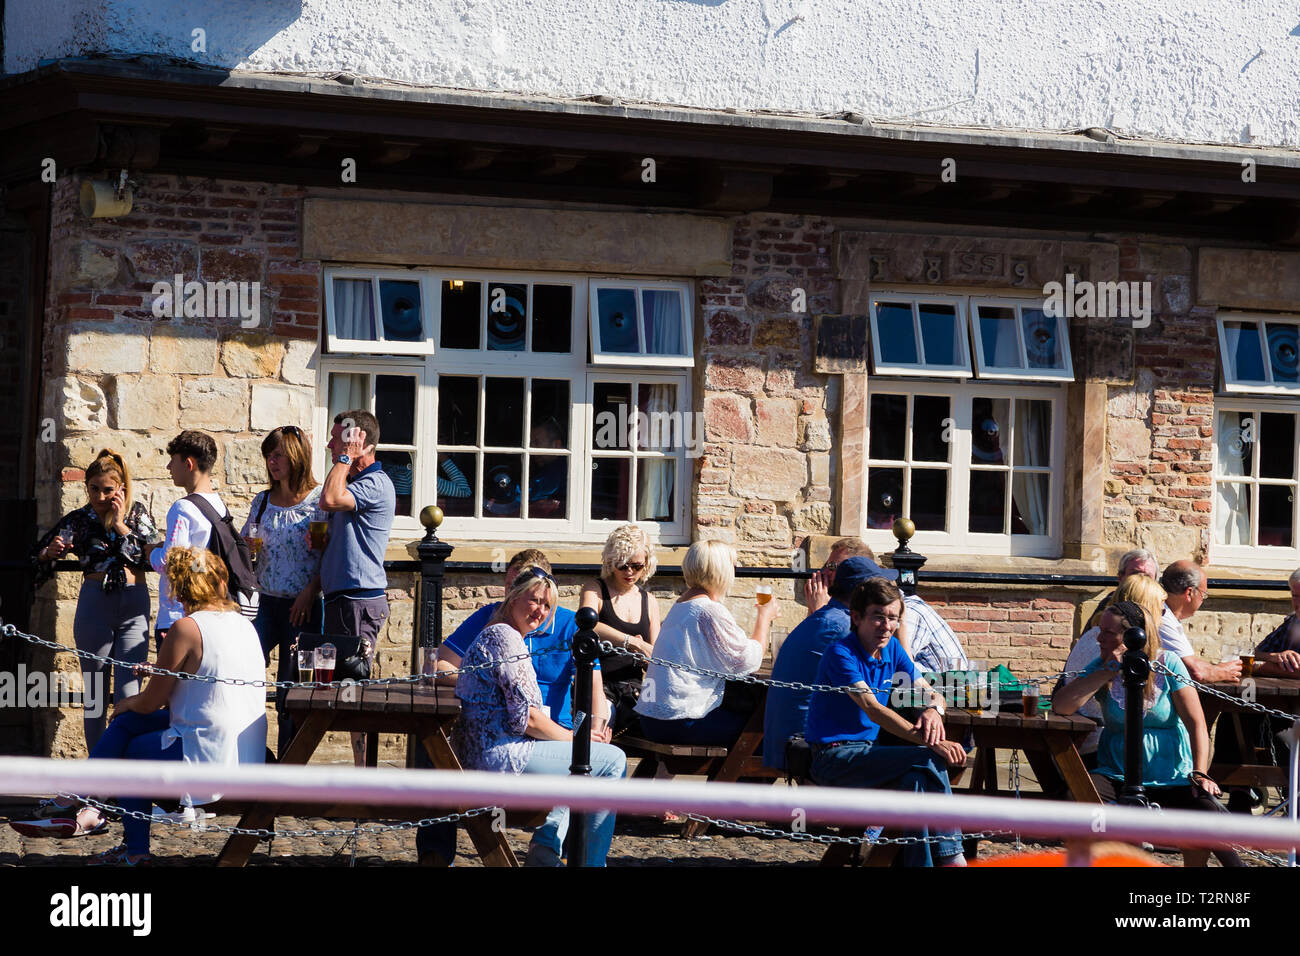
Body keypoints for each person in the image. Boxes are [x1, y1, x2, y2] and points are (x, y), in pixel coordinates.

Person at [12, 547, 267, 864]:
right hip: (243, 745)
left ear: (179, 586)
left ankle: (127, 846)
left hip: (213, 753)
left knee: (132, 746)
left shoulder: (186, 628)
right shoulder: (242, 623)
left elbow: (150, 703)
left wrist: (125, 703)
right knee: (128, 725)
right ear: (219, 582)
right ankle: (78, 804)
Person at [421, 549, 608, 867]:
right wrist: (485, 681)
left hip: (555, 729)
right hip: (509, 733)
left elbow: (595, 691)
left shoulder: (568, 624)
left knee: (598, 755)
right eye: (511, 587)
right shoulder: (491, 619)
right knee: (435, 754)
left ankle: (548, 842)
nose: (514, 596)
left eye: (538, 597)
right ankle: (436, 857)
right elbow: (437, 668)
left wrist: (594, 728)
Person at [1052, 600, 1242, 867]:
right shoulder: (1102, 664)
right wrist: (1108, 670)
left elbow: (1197, 723)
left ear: (1132, 636)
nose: (1099, 638)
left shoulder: (1168, 663)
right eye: (1100, 630)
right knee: (1077, 800)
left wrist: (1200, 772)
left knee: (1210, 815)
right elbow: (1062, 705)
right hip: (1117, 773)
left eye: (1108, 633)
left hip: (1172, 776)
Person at [803, 577, 967, 867]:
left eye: (893, 617)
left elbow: (929, 691)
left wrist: (933, 711)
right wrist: (935, 743)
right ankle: (954, 858)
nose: (887, 625)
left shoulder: (892, 649)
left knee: (916, 781)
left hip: (868, 753)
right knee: (928, 760)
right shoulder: (841, 653)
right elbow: (872, 708)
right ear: (856, 617)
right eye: (878, 616)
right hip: (833, 757)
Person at [30, 450, 159, 749]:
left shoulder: (137, 514)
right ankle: (99, 775)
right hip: (95, 603)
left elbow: (151, 558)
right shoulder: (80, 519)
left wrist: (119, 523)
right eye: (94, 489)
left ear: (121, 489)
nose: (101, 496)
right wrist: (50, 553)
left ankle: (126, 773)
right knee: (95, 696)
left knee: (130, 694)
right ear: (86, 487)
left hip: (133, 603)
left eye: (108, 490)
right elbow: (37, 553)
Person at [634, 539, 775, 747]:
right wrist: (764, 617)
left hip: (653, 718)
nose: (735, 572)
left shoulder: (682, 604)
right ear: (721, 570)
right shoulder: (708, 610)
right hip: (681, 720)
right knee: (765, 733)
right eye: (733, 566)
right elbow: (746, 661)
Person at [240, 425, 324, 757]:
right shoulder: (262, 502)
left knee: (292, 689)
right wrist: (248, 549)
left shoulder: (318, 502)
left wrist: (309, 592)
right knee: (244, 673)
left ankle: (289, 767)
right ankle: (249, 754)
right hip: (264, 601)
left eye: (278, 455)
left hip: (301, 604)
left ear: (296, 456)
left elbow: (326, 556)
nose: (272, 462)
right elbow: (246, 547)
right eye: (268, 456)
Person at [320, 409, 396, 766]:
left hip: (359, 600)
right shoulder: (353, 483)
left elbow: (329, 500)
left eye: (338, 438)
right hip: (342, 598)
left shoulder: (375, 484)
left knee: (354, 690)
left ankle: (363, 778)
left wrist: (344, 458)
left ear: (359, 441)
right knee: (341, 689)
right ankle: (359, 775)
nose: (331, 445)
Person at [763, 557, 875, 770]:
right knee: (920, 760)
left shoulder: (828, 618)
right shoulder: (843, 627)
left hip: (790, 741)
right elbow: (877, 693)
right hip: (811, 746)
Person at [151, 430, 254, 649]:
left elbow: (169, 563)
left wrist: (149, 551)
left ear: (188, 464)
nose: (169, 468)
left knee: (176, 682)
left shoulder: (183, 508)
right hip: (210, 613)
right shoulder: (219, 506)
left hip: (177, 615)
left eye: (172, 461)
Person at [1060, 573, 1170, 761]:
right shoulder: (1109, 646)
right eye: (1161, 610)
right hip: (1094, 743)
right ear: (1146, 610)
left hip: (1084, 738)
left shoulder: (1093, 634)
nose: (1164, 615)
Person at [580, 524, 661, 734]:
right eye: (622, 565)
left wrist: (646, 656)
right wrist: (632, 641)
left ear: (647, 564)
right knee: (600, 725)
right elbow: (587, 623)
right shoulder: (595, 588)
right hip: (598, 685)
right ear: (610, 561)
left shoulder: (649, 601)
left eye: (637, 566)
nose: (629, 572)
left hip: (633, 691)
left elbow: (655, 656)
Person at [1158, 560, 1241, 684]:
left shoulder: (1169, 615)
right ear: (1189, 593)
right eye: (1203, 594)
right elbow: (1195, 672)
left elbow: (1189, 660)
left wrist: (1216, 669)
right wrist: (1223, 672)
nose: (1203, 600)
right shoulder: (1163, 618)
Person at [1083, 548, 1159, 631]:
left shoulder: (1161, 608)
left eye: (1147, 577)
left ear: (1155, 581)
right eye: (1135, 574)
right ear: (1120, 577)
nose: (1140, 581)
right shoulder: (1109, 604)